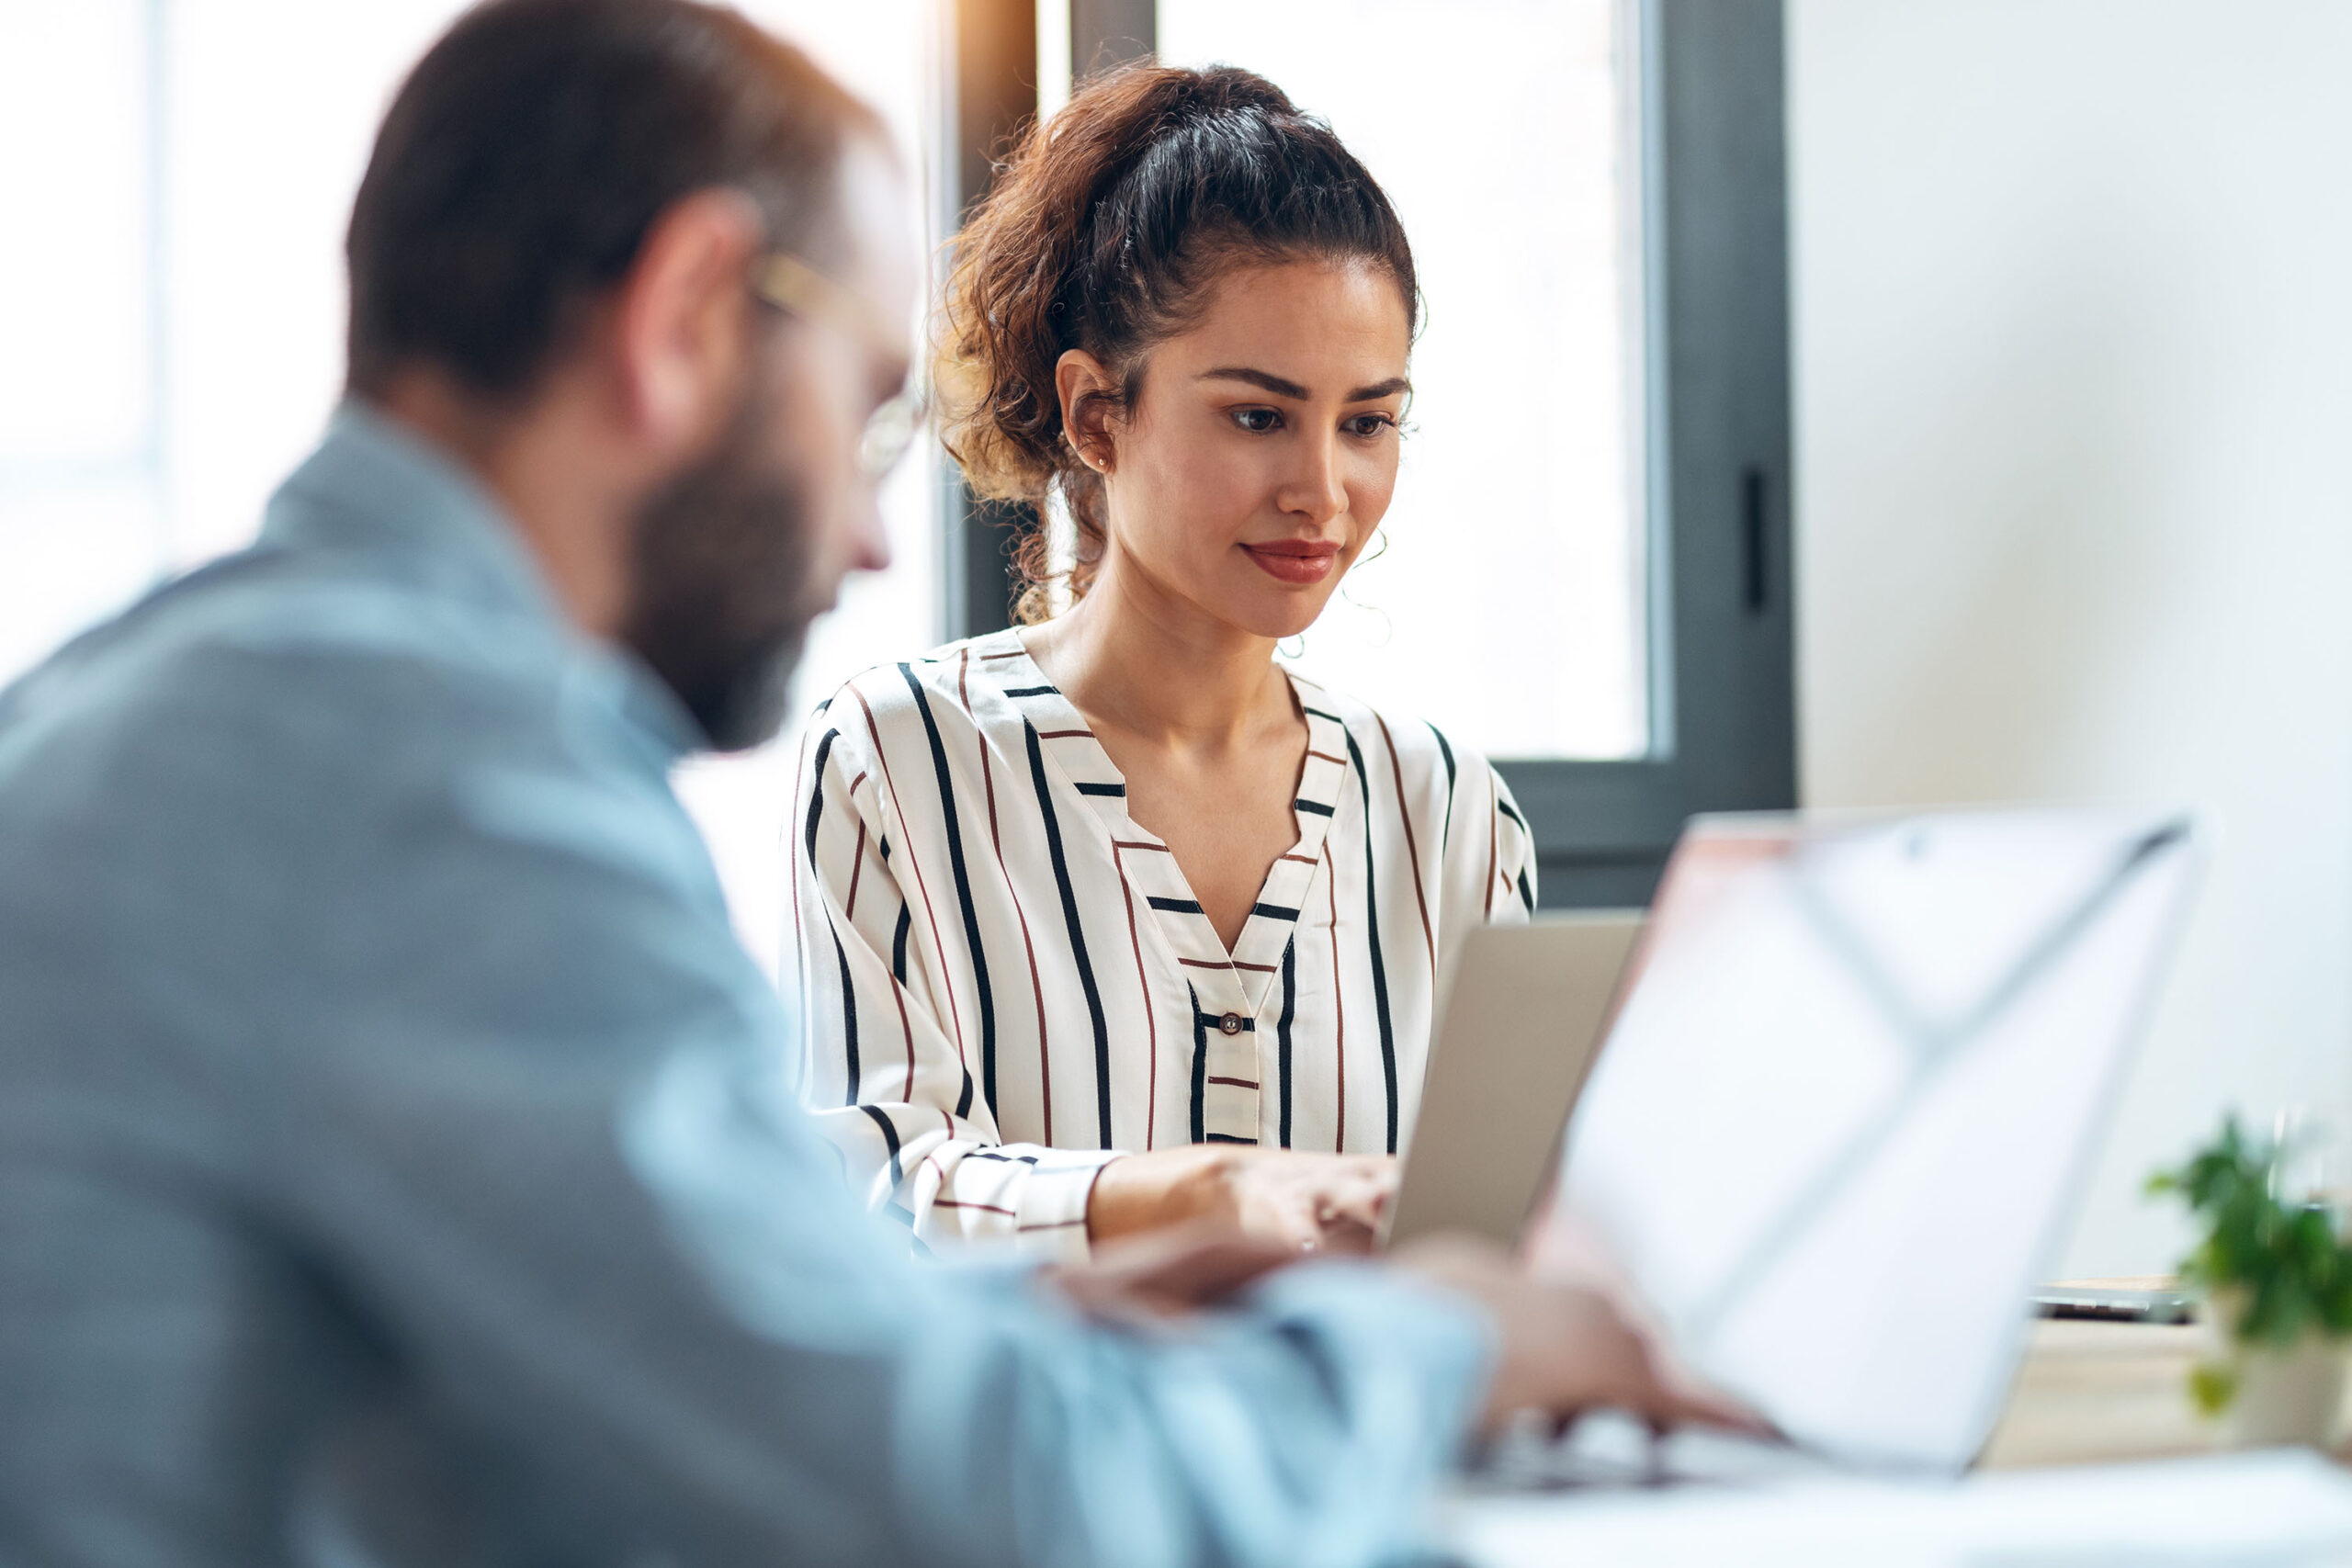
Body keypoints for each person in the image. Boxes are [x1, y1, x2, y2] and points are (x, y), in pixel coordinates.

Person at [0, 3, 1728, 1563]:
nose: (870, 532)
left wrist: (1044, 1319)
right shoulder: (425, 781)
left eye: (1372, 422)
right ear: (685, 318)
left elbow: (685, 1375)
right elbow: (935, 1502)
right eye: (868, 415)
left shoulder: (193, 705)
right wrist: (1439, 1342)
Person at [790, 65, 1534, 1260]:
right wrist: (1198, 1198)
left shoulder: (1448, 810)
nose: (1322, 491)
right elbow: (870, 1199)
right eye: (1257, 415)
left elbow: (1504, 1227)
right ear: (1095, 416)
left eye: (1367, 421)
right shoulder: (894, 760)